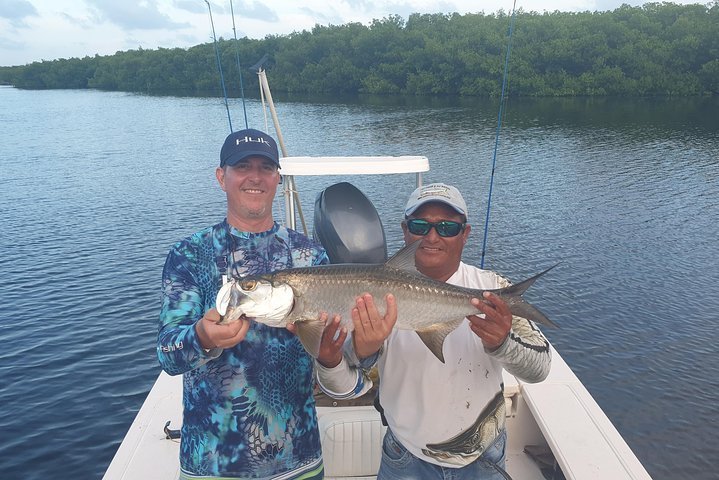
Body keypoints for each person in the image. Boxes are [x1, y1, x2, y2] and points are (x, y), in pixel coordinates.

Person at [315, 182, 552, 479]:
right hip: (405, 457)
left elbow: (540, 369)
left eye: (447, 228)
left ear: (465, 234)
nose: (431, 236)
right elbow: (346, 388)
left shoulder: (492, 290)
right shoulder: (368, 295)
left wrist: (503, 342)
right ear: (404, 230)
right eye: (419, 225)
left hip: (482, 459)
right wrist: (350, 354)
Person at [157, 128, 329, 480]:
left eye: (266, 167)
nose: (255, 177)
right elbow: (167, 354)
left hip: (299, 458)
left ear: (277, 178)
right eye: (242, 166)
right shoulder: (189, 255)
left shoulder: (311, 256)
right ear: (222, 177)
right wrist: (202, 338)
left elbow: (336, 352)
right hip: (210, 463)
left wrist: (335, 349)